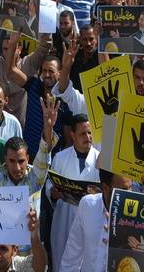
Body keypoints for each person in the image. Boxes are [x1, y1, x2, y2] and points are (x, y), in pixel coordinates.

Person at [48, 113, 100, 272]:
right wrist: (53, 193)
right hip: (63, 220)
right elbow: (50, 184)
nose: (88, 137)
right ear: (72, 135)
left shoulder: (101, 160)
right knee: (62, 262)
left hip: (90, 224)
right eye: (83, 133)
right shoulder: (60, 158)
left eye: (90, 133)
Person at [59, 169, 133, 272]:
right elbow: (72, 255)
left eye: (130, 187)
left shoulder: (137, 218)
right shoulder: (87, 205)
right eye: (123, 190)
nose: (130, 195)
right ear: (105, 188)